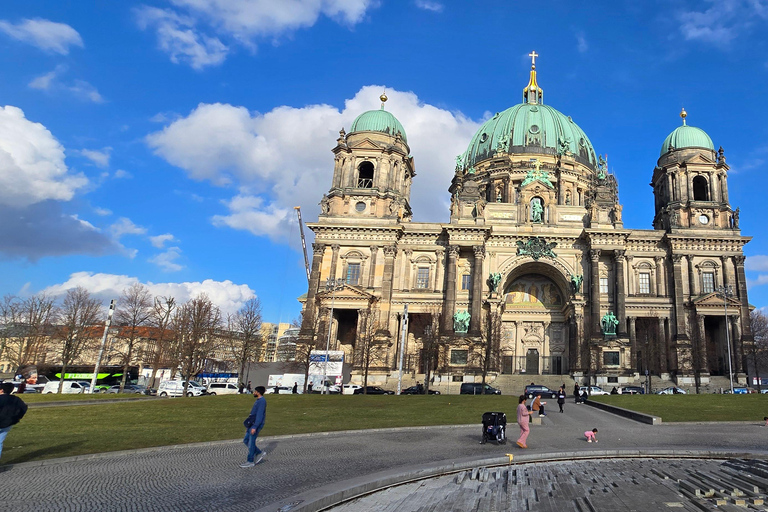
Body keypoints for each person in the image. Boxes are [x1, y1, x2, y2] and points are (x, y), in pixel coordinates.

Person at [0, 381, 28, 460]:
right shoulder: (16, 399)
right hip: (8, 423)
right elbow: (24, 408)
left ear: (2, 390)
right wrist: (17, 418)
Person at [241, 386, 267, 468]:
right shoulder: (258, 401)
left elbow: (259, 415)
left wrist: (255, 427)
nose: (253, 393)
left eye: (255, 391)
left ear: (258, 392)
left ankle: (250, 461)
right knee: (246, 440)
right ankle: (259, 452)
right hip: (251, 424)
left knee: (251, 442)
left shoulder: (262, 401)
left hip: (255, 425)